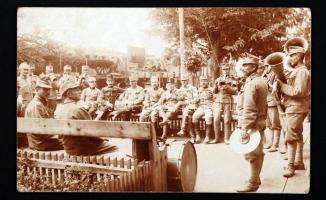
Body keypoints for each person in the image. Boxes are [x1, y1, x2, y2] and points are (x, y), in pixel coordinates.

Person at [276, 38, 310, 177]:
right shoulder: (298, 71)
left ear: (299, 55)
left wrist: (282, 86)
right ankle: (299, 162)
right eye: (289, 55)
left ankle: (290, 166)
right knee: (298, 134)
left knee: (290, 136)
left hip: (296, 107)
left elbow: (298, 91)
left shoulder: (302, 71)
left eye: (292, 55)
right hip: (296, 107)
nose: (289, 58)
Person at [54, 80, 117, 155]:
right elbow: (92, 131)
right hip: (82, 148)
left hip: (68, 148)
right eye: (76, 90)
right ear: (68, 93)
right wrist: (102, 139)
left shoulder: (59, 109)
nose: (80, 91)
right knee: (115, 147)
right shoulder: (77, 109)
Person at [236, 54, 268, 193]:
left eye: (246, 65)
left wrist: (245, 128)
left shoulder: (252, 83)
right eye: (243, 65)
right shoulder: (260, 80)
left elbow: (249, 108)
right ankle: (256, 178)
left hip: (252, 122)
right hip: (259, 120)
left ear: (254, 67)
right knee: (258, 151)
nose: (243, 68)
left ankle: (253, 183)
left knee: (252, 153)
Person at [24, 77, 63, 151]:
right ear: (37, 89)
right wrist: (59, 135)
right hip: (40, 143)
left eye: (49, 89)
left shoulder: (41, 103)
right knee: (71, 143)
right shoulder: (36, 105)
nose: (48, 92)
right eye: (44, 89)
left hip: (41, 140)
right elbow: (41, 130)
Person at [212, 63, 237, 144]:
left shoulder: (233, 79)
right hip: (218, 101)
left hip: (228, 101)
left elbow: (235, 91)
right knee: (216, 120)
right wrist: (216, 86)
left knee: (227, 121)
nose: (225, 71)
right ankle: (216, 138)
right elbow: (214, 92)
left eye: (227, 69)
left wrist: (227, 87)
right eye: (224, 69)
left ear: (229, 70)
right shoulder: (218, 79)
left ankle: (227, 138)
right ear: (222, 70)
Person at [261, 61, 282, 152]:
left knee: (275, 124)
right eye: (265, 66)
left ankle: (275, 144)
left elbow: (275, 89)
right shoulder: (265, 75)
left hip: (273, 101)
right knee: (268, 124)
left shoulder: (276, 75)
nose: (266, 68)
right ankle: (271, 142)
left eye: (267, 66)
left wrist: (267, 83)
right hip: (266, 102)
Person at [191, 75, 214, 144]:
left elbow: (215, 99)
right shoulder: (199, 89)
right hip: (201, 107)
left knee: (208, 117)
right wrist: (194, 102)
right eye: (202, 81)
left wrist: (212, 107)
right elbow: (197, 99)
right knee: (194, 117)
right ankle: (198, 136)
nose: (203, 82)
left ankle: (207, 136)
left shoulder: (212, 89)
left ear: (207, 81)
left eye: (205, 80)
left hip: (209, 107)